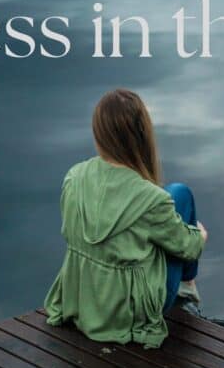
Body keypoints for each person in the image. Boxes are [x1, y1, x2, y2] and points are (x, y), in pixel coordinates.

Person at [44, 88, 208, 348]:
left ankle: (185, 284)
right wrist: (199, 235)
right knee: (180, 194)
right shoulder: (152, 199)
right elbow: (190, 248)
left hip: (84, 299)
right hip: (128, 313)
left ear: (98, 133)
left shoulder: (74, 177)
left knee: (172, 198)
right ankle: (187, 286)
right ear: (142, 135)